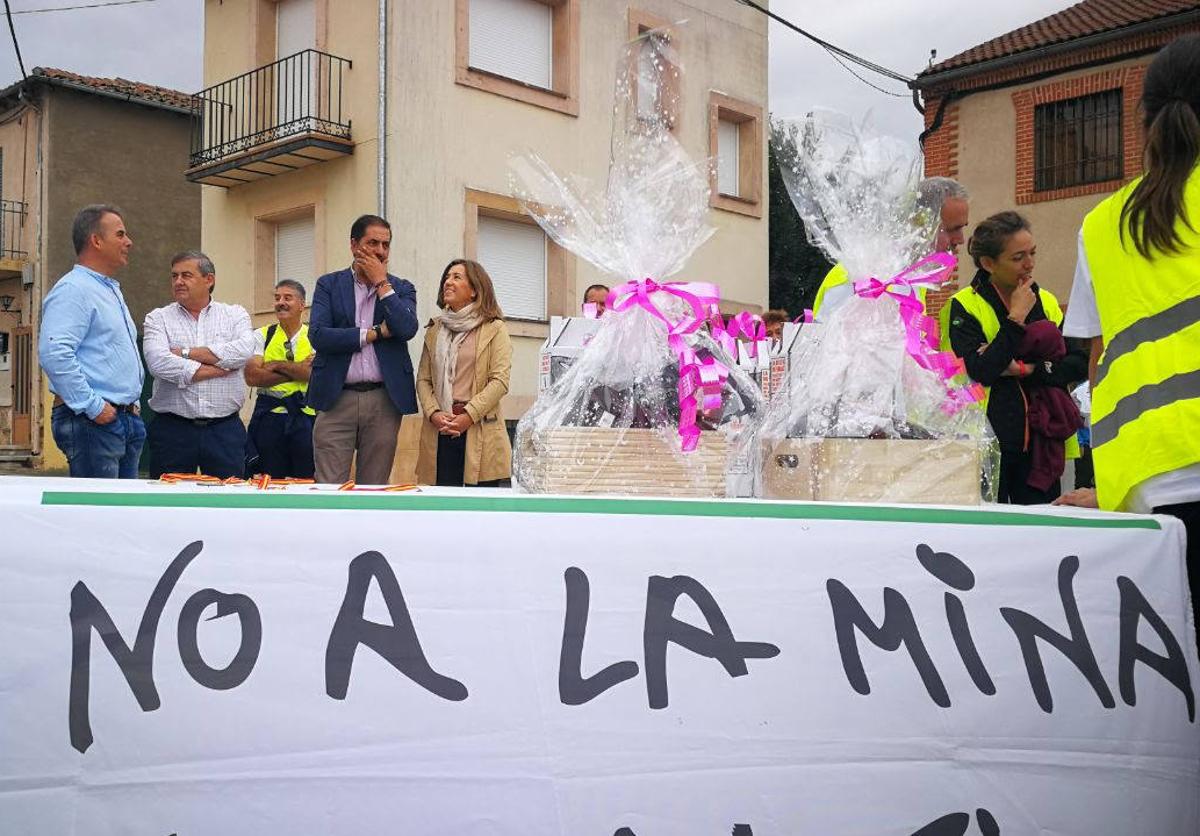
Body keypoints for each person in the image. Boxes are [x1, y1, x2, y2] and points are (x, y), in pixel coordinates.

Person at [1055, 34, 1200, 643]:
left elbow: (1098, 361)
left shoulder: (1101, 225)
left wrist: (1112, 483)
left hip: (1148, 486)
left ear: (1140, 121)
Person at [940, 212, 1087, 504]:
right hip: (986, 443)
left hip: (1042, 441)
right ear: (988, 263)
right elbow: (982, 370)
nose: (1030, 264)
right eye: (1018, 257)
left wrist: (1025, 368)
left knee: (1040, 530)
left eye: (1032, 253)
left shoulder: (1044, 300)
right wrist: (1016, 319)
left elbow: (1077, 362)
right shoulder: (962, 306)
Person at [307, 214, 418, 484]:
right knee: (329, 487)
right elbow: (319, 335)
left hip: (383, 399)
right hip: (336, 397)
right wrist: (372, 334)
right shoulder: (329, 285)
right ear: (354, 245)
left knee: (374, 488)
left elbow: (406, 329)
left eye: (386, 245)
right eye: (373, 243)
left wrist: (382, 283)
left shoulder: (402, 288)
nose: (380, 251)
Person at [38, 204, 145, 478]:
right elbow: (54, 352)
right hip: (92, 421)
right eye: (120, 234)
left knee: (119, 517)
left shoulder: (106, 290)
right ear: (96, 241)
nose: (129, 242)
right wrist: (94, 407)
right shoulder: (74, 289)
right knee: (98, 518)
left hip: (121, 420)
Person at [143, 251, 255, 478]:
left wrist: (186, 353)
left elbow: (243, 351)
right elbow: (158, 363)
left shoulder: (235, 315)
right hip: (173, 430)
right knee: (168, 505)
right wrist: (218, 368)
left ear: (209, 279)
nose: (178, 282)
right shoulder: (158, 318)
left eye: (186, 275)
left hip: (224, 430)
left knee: (227, 503)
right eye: (174, 276)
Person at [811, 176, 970, 319]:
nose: (960, 240)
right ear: (921, 226)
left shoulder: (909, 280)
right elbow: (830, 347)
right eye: (952, 229)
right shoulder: (861, 278)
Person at [416, 259, 512, 487]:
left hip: (477, 426)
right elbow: (423, 379)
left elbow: (499, 381)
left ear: (475, 291)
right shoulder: (435, 329)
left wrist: (467, 416)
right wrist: (434, 413)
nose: (448, 282)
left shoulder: (495, 328)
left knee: (479, 512)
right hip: (440, 428)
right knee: (441, 511)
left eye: (457, 277)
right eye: (447, 277)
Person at [243, 279, 316, 478]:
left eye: (287, 298)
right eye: (277, 298)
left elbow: (312, 374)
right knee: (269, 481)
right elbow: (252, 376)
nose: (280, 302)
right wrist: (297, 368)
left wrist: (274, 365)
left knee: (305, 481)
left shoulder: (315, 336)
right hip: (269, 419)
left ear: (302, 304)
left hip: (306, 419)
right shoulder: (262, 335)